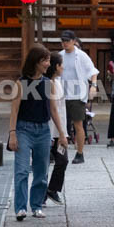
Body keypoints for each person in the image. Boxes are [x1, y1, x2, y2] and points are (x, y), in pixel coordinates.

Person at [8, 45, 66, 220]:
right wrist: (12, 133)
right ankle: (20, 208)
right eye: (45, 60)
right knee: (22, 170)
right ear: (36, 62)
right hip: (23, 129)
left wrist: (62, 134)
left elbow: (54, 111)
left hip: (43, 130)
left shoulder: (48, 84)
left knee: (41, 172)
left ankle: (36, 206)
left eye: (49, 60)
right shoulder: (21, 83)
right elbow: (14, 110)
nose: (49, 64)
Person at [59, 30, 97, 164]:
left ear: (74, 41)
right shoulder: (60, 55)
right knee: (60, 125)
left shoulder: (81, 55)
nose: (65, 43)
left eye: (67, 41)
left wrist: (93, 85)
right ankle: (59, 152)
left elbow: (92, 71)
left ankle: (80, 153)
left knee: (78, 124)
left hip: (77, 93)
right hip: (61, 93)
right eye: (63, 41)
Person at [44, 53, 70, 204]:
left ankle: (51, 189)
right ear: (56, 67)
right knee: (45, 164)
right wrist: (62, 133)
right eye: (61, 65)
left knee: (62, 161)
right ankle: (44, 193)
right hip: (50, 130)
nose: (63, 67)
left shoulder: (57, 81)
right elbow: (53, 111)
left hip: (59, 130)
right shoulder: (48, 84)